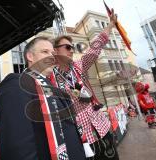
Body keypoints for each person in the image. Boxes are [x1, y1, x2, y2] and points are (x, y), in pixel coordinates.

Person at [0, 36, 86, 160]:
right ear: (30, 56)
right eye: (45, 52)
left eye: (53, 53)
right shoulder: (16, 84)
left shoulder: (53, 88)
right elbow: (18, 149)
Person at [49, 9, 119, 160]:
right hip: (81, 137)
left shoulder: (79, 65)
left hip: (101, 127)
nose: (71, 50)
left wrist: (110, 25)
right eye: (67, 47)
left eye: (72, 47)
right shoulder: (50, 79)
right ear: (55, 51)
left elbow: (95, 48)